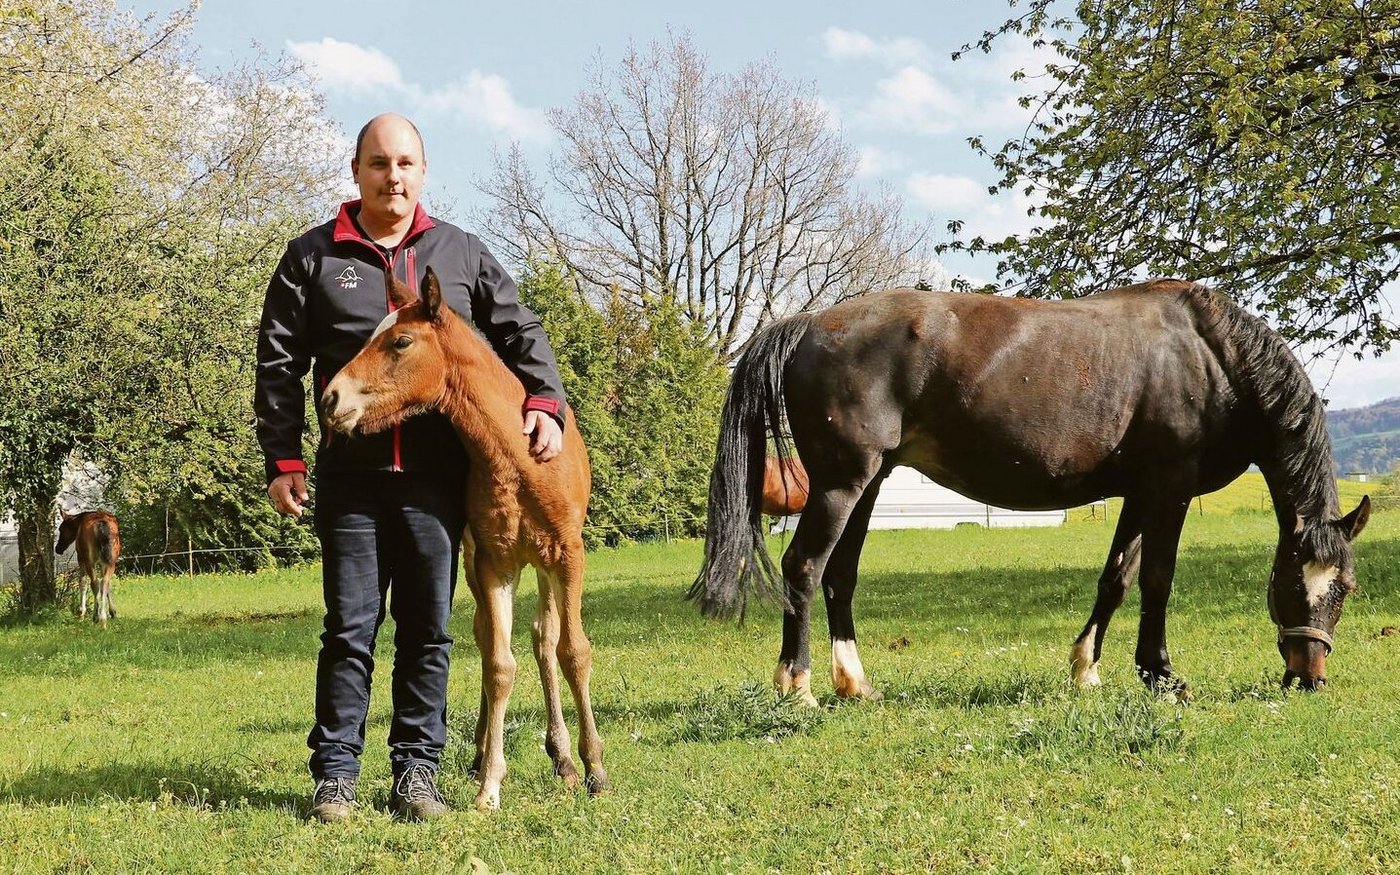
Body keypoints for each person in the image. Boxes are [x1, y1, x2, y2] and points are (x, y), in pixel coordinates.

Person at [255, 113, 568, 822]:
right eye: (377, 163)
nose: (390, 176)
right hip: (350, 480)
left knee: (428, 628)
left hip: (436, 479)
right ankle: (335, 777)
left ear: (421, 172)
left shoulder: (459, 252)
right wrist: (283, 455)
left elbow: (519, 328)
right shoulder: (311, 255)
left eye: (404, 163)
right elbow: (278, 360)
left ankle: (417, 775)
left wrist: (544, 400)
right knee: (350, 628)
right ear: (356, 170)